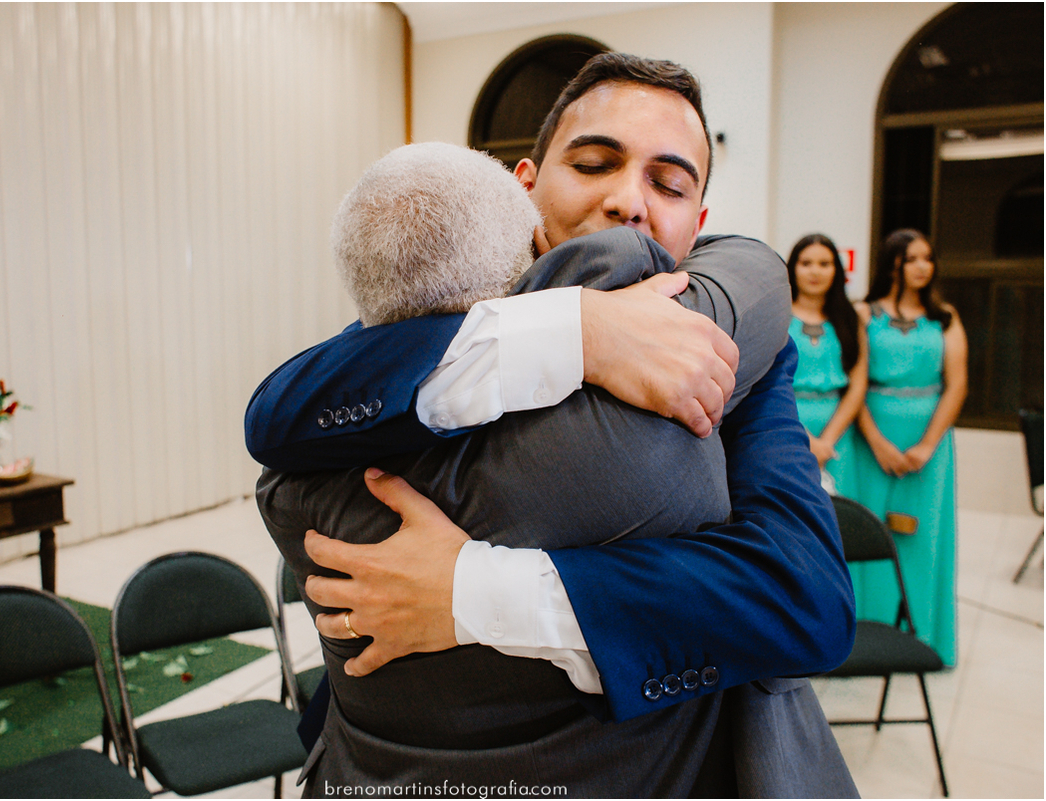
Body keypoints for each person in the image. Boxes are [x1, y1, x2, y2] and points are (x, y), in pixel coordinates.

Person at [246, 54, 856, 796]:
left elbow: (806, 599)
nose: (627, 202)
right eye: (594, 164)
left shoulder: (727, 352)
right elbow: (281, 410)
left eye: (668, 184)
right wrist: (576, 331)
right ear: (524, 187)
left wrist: (475, 590)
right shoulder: (438, 316)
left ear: (698, 224)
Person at [853, 229, 967, 666]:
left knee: (924, 534)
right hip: (872, 439)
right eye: (912, 258)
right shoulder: (865, 314)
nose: (923, 266)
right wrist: (877, 442)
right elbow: (856, 382)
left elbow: (957, 385)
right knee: (869, 528)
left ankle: (924, 636)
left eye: (928, 258)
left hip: (929, 444)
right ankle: (866, 636)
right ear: (892, 263)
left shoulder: (945, 317)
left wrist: (927, 446)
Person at [786, 233, 867, 496]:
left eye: (824, 264)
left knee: (840, 511)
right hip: (786, 423)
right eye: (806, 263)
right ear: (792, 267)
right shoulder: (777, 316)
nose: (815, 271)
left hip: (838, 433)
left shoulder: (850, 319)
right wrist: (806, 439)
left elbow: (857, 385)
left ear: (837, 270)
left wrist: (826, 442)